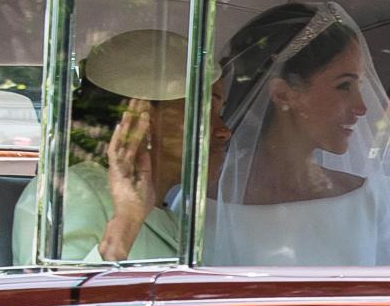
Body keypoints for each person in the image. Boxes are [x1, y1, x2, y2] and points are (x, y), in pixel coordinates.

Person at [208, 2, 390, 267]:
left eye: (360, 86)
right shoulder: (198, 208)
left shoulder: (387, 203)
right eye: (344, 86)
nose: (362, 107)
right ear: (284, 94)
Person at [12, 29, 231, 264]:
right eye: (206, 110)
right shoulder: (68, 193)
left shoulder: (169, 217)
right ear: (141, 118)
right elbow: (56, 297)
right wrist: (126, 223)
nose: (224, 131)